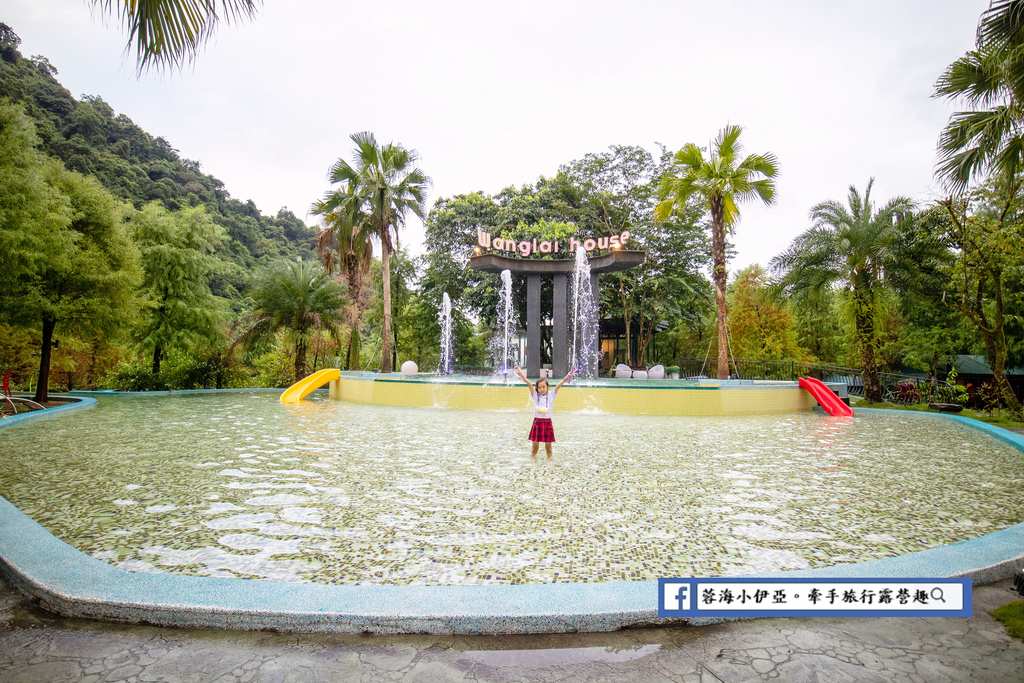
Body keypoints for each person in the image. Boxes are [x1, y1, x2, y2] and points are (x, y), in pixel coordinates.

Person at [513, 365, 574, 459]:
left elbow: (559, 385)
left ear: (547, 387)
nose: (541, 389)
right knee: (535, 446)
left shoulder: (551, 395)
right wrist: (521, 375)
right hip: (537, 422)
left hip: (547, 422)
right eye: (539, 387)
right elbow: (529, 384)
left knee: (548, 446)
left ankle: (549, 459)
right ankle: (532, 458)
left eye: (543, 387)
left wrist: (567, 376)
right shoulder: (535, 395)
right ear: (537, 388)